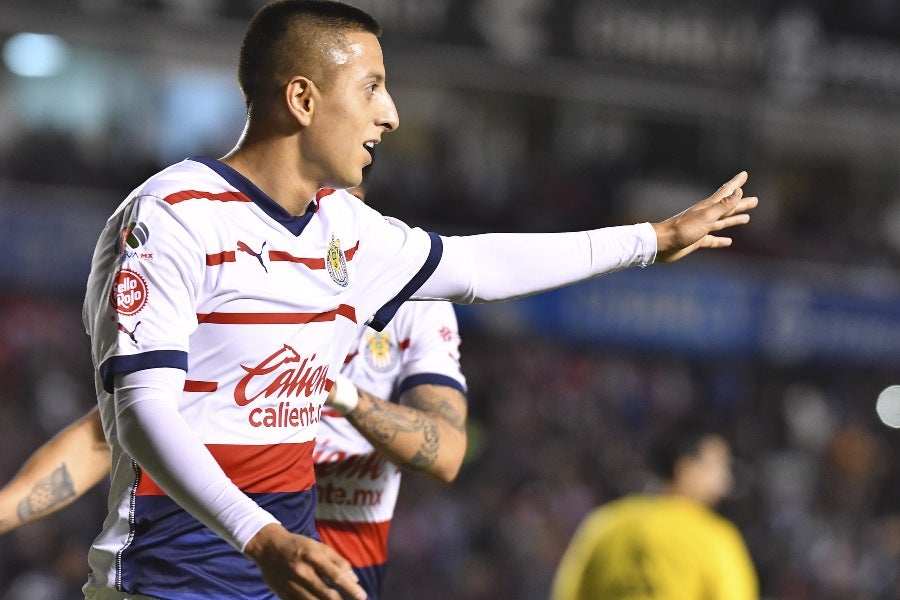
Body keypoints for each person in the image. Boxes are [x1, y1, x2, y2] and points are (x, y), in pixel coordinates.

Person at [79, 1, 757, 598]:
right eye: (372, 87)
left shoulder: (343, 229)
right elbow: (141, 413)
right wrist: (262, 538)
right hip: (168, 586)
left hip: (277, 583)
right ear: (303, 100)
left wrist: (651, 239)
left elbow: (480, 265)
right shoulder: (173, 217)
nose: (391, 114)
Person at [0, 301, 466, 600]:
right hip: (210, 579)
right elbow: (107, 436)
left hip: (338, 582)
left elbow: (446, 455)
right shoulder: (240, 287)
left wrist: (340, 394)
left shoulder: (413, 301)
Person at [550, 417, 759, 600]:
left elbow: (568, 594)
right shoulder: (714, 538)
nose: (725, 481)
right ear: (687, 469)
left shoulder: (605, 524)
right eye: (719, 466)